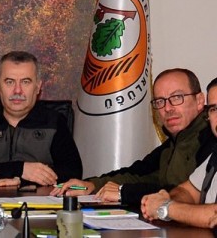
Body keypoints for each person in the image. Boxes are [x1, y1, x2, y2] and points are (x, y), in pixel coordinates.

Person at [53, 68, 213, 207]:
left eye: (177, 97)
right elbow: (138, 174)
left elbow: (185, 193)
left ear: (200, 101)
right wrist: (92, 184)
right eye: (160, 101)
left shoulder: (211, 139)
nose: (167, 108)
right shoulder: (174, 142)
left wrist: (124, 192)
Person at [0, 51, 82, 188]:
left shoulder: (54, 123)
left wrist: (21, 181)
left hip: (39, 201)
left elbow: (73, 173)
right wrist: (20, 169)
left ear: (38, 87)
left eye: (25, 82)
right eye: (9, 82)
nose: (17, 90)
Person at [140, 76, 217, 228]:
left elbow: (213, 216)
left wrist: (166, 208)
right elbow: (188, 191)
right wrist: (167, 199)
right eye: (214, 109)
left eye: (176, 98)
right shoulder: (214, 155)